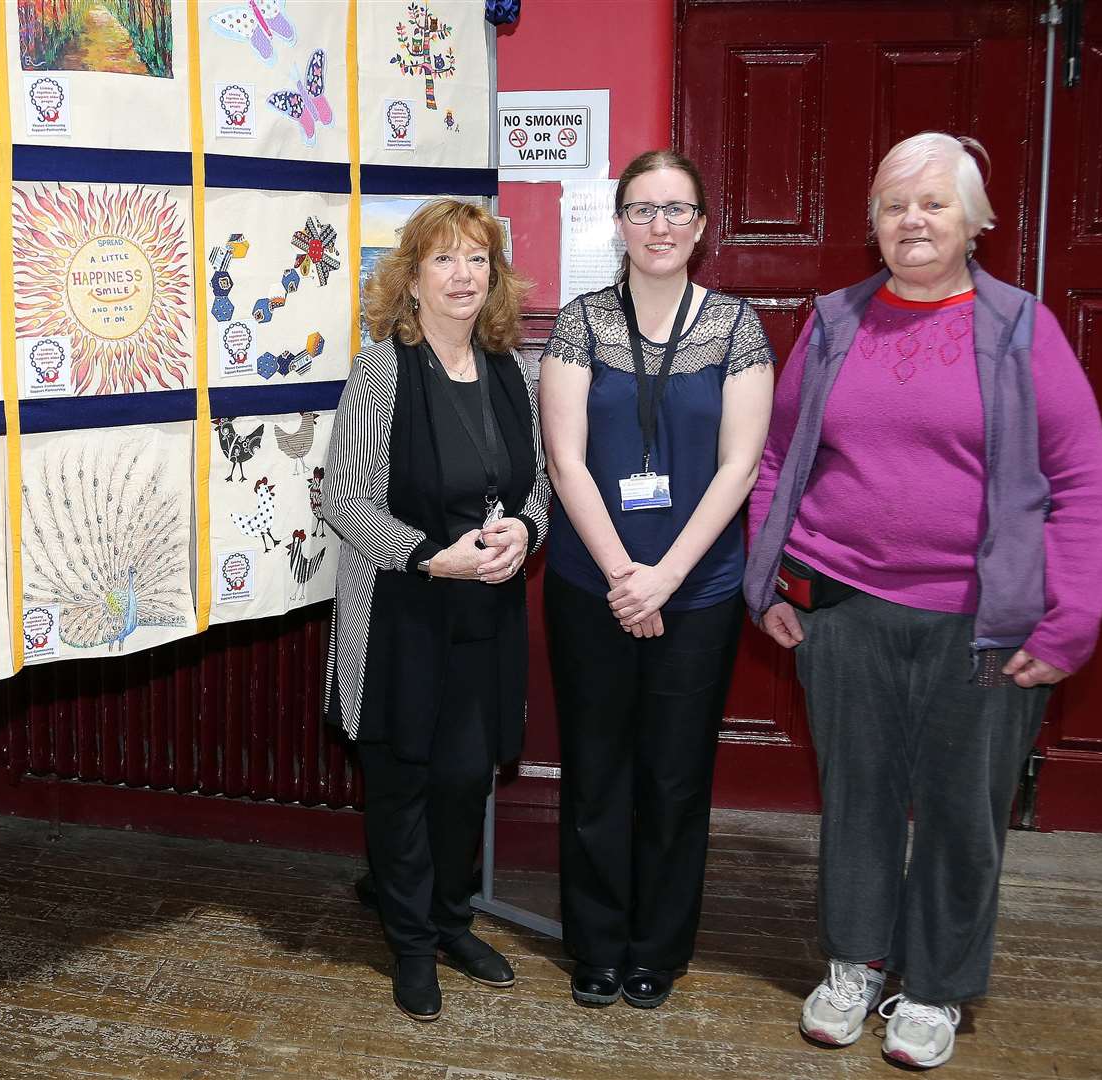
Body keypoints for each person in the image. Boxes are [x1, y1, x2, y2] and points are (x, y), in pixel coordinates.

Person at [743, 132, 1102, 1070]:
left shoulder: (1022, 327)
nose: (913, 220)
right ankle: (857, 960)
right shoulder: (833, 324)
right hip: (843, 607)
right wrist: (769, 581)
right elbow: (779, 461)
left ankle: (937, 985)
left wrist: (1069, 621)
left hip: (983, 623)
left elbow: (1079, 482)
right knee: (857, 797)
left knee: (962, 809)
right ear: (872, 224)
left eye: (934, 203)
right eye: (893, 206)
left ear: (975, 221)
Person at [539, 149, 775, 1010]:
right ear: (620, 223)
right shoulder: (581, 323)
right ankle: (595, 945)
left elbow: (741, 466)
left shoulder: (737, 327)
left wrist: (665, 579)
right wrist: (621, 577)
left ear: (703, 225)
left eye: (677, 210)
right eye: (643, 209)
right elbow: (564, 461)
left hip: (699, 589)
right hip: (588, 583)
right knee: (596, 769)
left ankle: (657, 947)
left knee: (676, 776)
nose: (661, 226)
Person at [323, 198, 549, 1023]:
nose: (463, 275)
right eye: (445, 259)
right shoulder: (383, 368)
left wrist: (525, 531)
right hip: (402, 613)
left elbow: (540, 489)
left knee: (464, 779)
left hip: (484, 615)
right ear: (411, 279)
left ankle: (454, 922)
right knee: (403, 785)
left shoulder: (512, 373)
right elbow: (343, 499)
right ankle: (411, 944)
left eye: (478, 259)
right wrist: (428, 554)